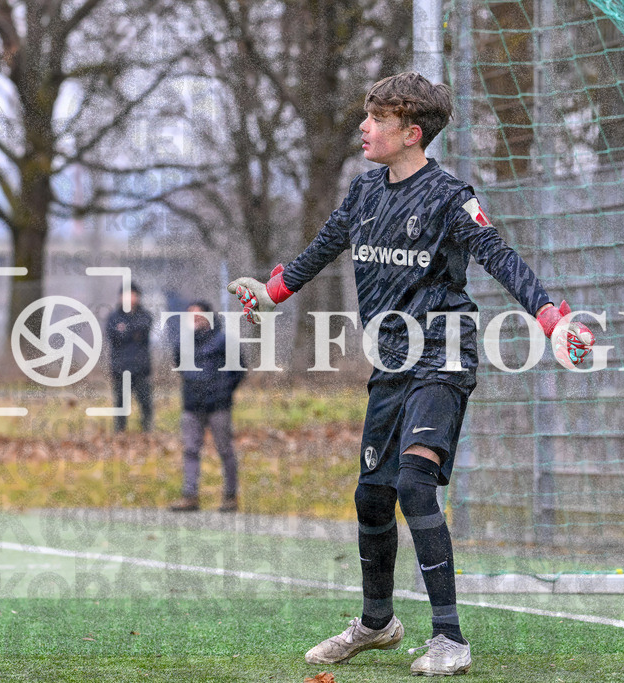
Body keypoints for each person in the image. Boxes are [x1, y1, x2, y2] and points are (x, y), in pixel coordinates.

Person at [228, 71, 592, 676]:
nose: (364, 127)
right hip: (392, 362)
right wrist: (271, 293)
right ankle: (377, 624)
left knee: (416, 485)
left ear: (411, 132)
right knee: (372, 495)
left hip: (444, 355)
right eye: (366, 116)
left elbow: (498, 254)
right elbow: (322, 247)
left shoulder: (450, 196)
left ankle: (450, 639)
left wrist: (551, 318)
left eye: (377, 119)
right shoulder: (365, 193)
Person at [169, 301, 246, 513]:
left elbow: (239, 369)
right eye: (190, 315)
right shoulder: (182, 343)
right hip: (192, 405)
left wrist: (223, 391)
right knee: (190, 450)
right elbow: (180, 367)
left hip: (218, 405)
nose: (194, 318)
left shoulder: (223, 341)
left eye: (197, 314)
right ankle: (189, 496)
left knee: (225, 450)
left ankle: (230, 497)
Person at [105, 282, 154, 433]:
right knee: (120, 404)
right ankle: (120, 432)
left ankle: (147, 431)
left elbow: (143, 328)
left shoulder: (145, 315)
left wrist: (125, 329)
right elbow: (114, 336)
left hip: (141, 368)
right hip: (120, 368)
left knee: (145, 402)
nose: (130, 298)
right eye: (126, 295)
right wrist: (132, 332)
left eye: (133, 295)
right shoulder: (113, 317)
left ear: (138, 297)